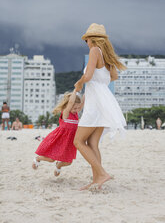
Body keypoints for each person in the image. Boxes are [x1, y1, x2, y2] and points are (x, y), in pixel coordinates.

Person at [74, 23, 127, 190]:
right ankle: (97, 180)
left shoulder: (95, 51)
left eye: (87, 40)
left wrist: (80, 83)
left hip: (97, 102)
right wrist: (96, 85)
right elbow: (113, 77)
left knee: (78, 141)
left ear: (92, 39)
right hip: (104, 100)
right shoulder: (107, 56)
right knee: (93, 142)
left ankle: (102, 174)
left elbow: (88, 76)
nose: (86, 43)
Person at [32, 89, 84, 176]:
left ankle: (59, 165)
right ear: (68, 105)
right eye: (74, 108)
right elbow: (71, 102)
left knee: (69, 162)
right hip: (59, 139)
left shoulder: (75, 113)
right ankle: (38, 158)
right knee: (51, 159)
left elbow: (82, 104)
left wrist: (89, 89)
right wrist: (75, 91)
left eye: (77, 108)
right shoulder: (66, 113)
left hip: (69, 142)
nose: (76, 110)